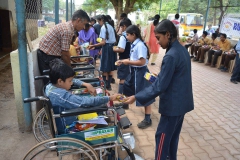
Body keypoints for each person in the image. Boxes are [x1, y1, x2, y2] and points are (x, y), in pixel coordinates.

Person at [124, 19, 194, 160]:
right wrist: (160, 76)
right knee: (172, 138)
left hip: (173, 105)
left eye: (158, 38)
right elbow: (175, 76)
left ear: (168, 34)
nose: (157, 42)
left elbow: (160, 86)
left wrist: (136, 96)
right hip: (182, 103)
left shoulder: (171, 56)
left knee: (162, 137)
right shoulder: (181, 50)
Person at [45, 59, 120, 134]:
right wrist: (109, 98)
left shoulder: (50, 86)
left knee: (96, 102)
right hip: (68, 127)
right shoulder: (60, 95)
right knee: (106, 120)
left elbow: (73, 80)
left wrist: (86, 84)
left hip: (67, 117)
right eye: (70, 81)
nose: (71, 83)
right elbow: (84, 102)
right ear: (60, 81)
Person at [116, 25, 155, 129]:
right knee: (126, 87)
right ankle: (125, 104)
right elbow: (134, 58)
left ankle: (148, 119)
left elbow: (142, 62)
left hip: (141, 73)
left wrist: (127, 61)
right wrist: (123, 61)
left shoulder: (140, 45)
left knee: (145, 94)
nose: (127, 37)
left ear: (133, 35)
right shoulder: (134, 44)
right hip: (134, 71)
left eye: (128, 35)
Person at [37, 9, 90, 84]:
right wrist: (70, 72)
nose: (84, 27)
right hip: (47, 57)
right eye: (84, 24)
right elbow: (65, 54)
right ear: (78, 20)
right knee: (52, 83)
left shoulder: (68, 27)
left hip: (50, 55)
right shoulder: (67, 30)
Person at [88, 15, 116, 91]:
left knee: (104, 68)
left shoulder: (104, 27)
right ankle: (108, 85)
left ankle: (104, 84)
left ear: (101, 20)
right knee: (110, 67)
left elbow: (103, 42)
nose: (98, 23)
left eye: (98, 21)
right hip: (112, 48)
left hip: (106, 48)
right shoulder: (111, 26)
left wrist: (94, 45)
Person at [113, 18, 132, 109]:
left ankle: (122, 102)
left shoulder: (124, 36)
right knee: (127, 81)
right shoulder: (133, 36)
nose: (120, 29)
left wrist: (114, 49)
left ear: (124, 26)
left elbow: (121, 49)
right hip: (130, 60)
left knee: (122, 81)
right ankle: (125, 102)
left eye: (121, 27)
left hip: (123, 60)